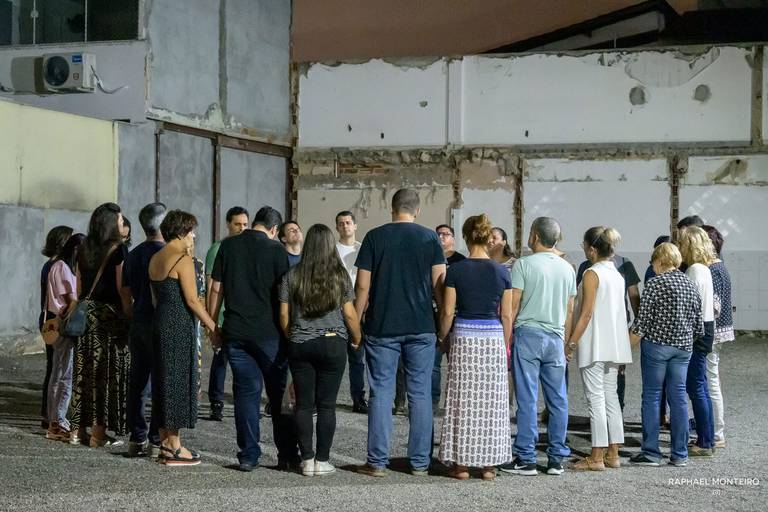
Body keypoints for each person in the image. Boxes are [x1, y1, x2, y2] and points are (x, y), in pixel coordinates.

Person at [354, 189, 446, 477]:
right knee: (419, 394)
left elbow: (362, 287)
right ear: (416, 211)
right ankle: (419, 463)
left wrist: (355, 324)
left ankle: (377, 462)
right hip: (421, 326)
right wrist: (443, 323)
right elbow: (439, 285)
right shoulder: (430, 238)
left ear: (390, 207)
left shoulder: (374, 237)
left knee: (381, 391)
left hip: (382, 326)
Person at [209, 206, 299, 472]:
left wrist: (214, 326)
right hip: (271, 334)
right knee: (278, 395)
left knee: (246, 394)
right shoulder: (277, 252)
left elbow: (216, 289)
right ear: (274, 229)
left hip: (236, 332)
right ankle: (286, 454)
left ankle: (248, 455)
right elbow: (286, 297)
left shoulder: (228, 247)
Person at [279, 224, 362, 476]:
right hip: (332, 342)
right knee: (326, 405)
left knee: (303, 404)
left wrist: (291, 335)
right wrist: (357, 338)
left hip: (300, 343)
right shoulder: (339, 276)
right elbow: (349, 314)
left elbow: (284, 314)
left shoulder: (292, 275)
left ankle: (306, 459)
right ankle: (322, 460)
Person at [438, 214, 512, 481]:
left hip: (465, 334)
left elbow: (447, 311)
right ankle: (489, 465)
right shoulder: (501, 271)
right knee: (491, 402)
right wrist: (504, 346)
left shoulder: (456, 270)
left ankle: (462, 464)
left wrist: (442, 337)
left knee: (463, 400)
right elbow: (506, 315)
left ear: (467, 237)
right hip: (492, 336)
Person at [500, 217, 575, 477]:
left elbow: (514, 303)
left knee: (527, 398)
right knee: (558, 400)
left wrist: (506, 338)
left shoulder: (523, 264)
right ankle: (556, 458)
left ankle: (526, 457)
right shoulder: (568, 268)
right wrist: (566, 342)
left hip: (528, 334)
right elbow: (569, 309)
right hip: (555, 337)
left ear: (534, 236)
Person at [149, 210, 219, 466]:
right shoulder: (182, 260)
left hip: (160, 323)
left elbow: (155, 297)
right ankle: (175, 447)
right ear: (180, 232)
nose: (194, 236)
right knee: (178, 382)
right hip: (178, 326)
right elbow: (192, 300)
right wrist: (213, 327)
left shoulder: (156, 257)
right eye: (191, 231)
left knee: (162, 382)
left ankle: (164, 442)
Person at [629, 243, 703, 467]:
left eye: (653, 262)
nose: (653, 267)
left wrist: (626, 348)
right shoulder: (691, 285)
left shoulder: (655, 284)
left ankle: (651, 452)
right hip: (683, 349)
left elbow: (642, 323)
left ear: (660, 261)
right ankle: (680, 453)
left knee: (652, 397)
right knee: (679, 398)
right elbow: (699, 326)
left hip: (656, 348)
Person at [566, 227, 632, 471]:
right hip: (614, 342)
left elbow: (586, 313)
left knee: (596, 399)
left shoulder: (592, 273)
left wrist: (571, 342)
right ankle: (613, 453)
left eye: (584, 245)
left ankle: (595, 456)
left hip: (595, 343)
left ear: (592, 249)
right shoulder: (617, 273)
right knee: (611, 397)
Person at [70, 203, 130, 447]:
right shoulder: (118, 250)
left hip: (87, 317)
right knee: (104, 374)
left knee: (83, 372)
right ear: (110, 223)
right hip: (107, 318)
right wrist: (129, 316)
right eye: (118, 220)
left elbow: (79, 288)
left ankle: (77, 431)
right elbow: (122, 289)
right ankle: (98, 433)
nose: (121, 223)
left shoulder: (82, 248)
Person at [122, 202, 167, 457]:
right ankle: (155, 439)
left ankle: (136, 436)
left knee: (137, 381)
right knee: (160, 381)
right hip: (158, 323)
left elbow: (125, 291)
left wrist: (132, 314)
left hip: (138, 321)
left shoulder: (135, 254)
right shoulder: (166, 255)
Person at [576, 243, 640, 411]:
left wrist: (572, 341)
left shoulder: (589, 269)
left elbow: (582, 306)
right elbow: (633, 295)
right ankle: (616, 413)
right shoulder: (619, 269)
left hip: (595, 327)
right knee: (613, 382)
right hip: (617, 326)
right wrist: (638, 324)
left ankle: (603, 427)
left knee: (597, 390)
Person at [205, 206, 249, 422]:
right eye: (237, 224)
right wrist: (211, 320)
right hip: (223, 313)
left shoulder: (245, 247)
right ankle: (216, 402)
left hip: (239, 313)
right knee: (220, 359)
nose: (241, 228)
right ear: (228, 224)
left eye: (244, 224)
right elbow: (211, 284)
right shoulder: (218, 248)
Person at [678, 226, 717, 457]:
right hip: (706, 328)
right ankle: (707, 437)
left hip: (697, 331)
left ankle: (705, 440)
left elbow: (692, 308)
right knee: (700, 386)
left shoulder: (694, 270)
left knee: (697, 388)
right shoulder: (704, 269)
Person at [44, 233, 85, 442]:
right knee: (64, 374)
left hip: (60, 323)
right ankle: (58, 420)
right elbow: (71, 299)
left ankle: (55, 419)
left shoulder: (59, 266)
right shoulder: (62, 267)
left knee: (58, 372)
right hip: (64, 325)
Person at [701, 225, 733, 449]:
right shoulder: (718, 267)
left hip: (711, 333)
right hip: (718, 332)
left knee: (711, 382)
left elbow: (714, 306)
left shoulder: (713, 270)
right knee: (711, 381)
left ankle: (717, 432)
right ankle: (713, 429)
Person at [39, 225, 73, 430]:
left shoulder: (48, 265)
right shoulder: (60, 266)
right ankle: (55, 416)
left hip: (48, 319)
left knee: (53, 367)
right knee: (61, 369)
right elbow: (68, 298)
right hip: (57, 318)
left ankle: (48, 413)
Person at [335, 211, 368, 414]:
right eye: (341, 223)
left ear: (355, 226)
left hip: (359, 306)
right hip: (337, 308)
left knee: (357, 357)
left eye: (348, 222)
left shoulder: (363, 250)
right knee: (336, 357)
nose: (345, 226)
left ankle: (358, 398)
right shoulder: (332, 251)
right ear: (337, 227)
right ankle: (328, 397)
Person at [432, 224, 466, 409]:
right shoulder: (430, 257)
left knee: (455, 364)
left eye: (446, 234)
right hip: (433, 315)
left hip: (456, 317)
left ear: (453, 238)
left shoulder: (461, 261)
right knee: (433, 364)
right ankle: (433, 400)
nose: (442, 237)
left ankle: (453, 402)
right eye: (438, 234)